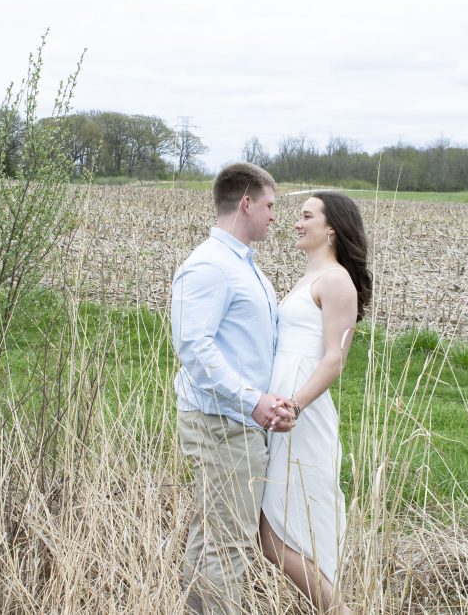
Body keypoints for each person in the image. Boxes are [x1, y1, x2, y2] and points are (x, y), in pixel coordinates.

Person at [171, 161, 297, 614]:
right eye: (269, 205)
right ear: (246, 203)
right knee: (226, 544)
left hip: (238, 423)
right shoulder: (209, 267)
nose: (274, 216)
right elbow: (194, 348)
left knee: (216, 539)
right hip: (223, 424)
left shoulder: (243, 267)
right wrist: (252, 401)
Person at [259, 191, 372, 614]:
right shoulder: (308, 278)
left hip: (301, 415)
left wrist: (295, 404)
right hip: (282, 410)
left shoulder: (337, 280)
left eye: (306, 216)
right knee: (273, 527)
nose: (296, 222)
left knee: (273, 533)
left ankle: (338, 610)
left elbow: (334, 359)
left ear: (331, 228)